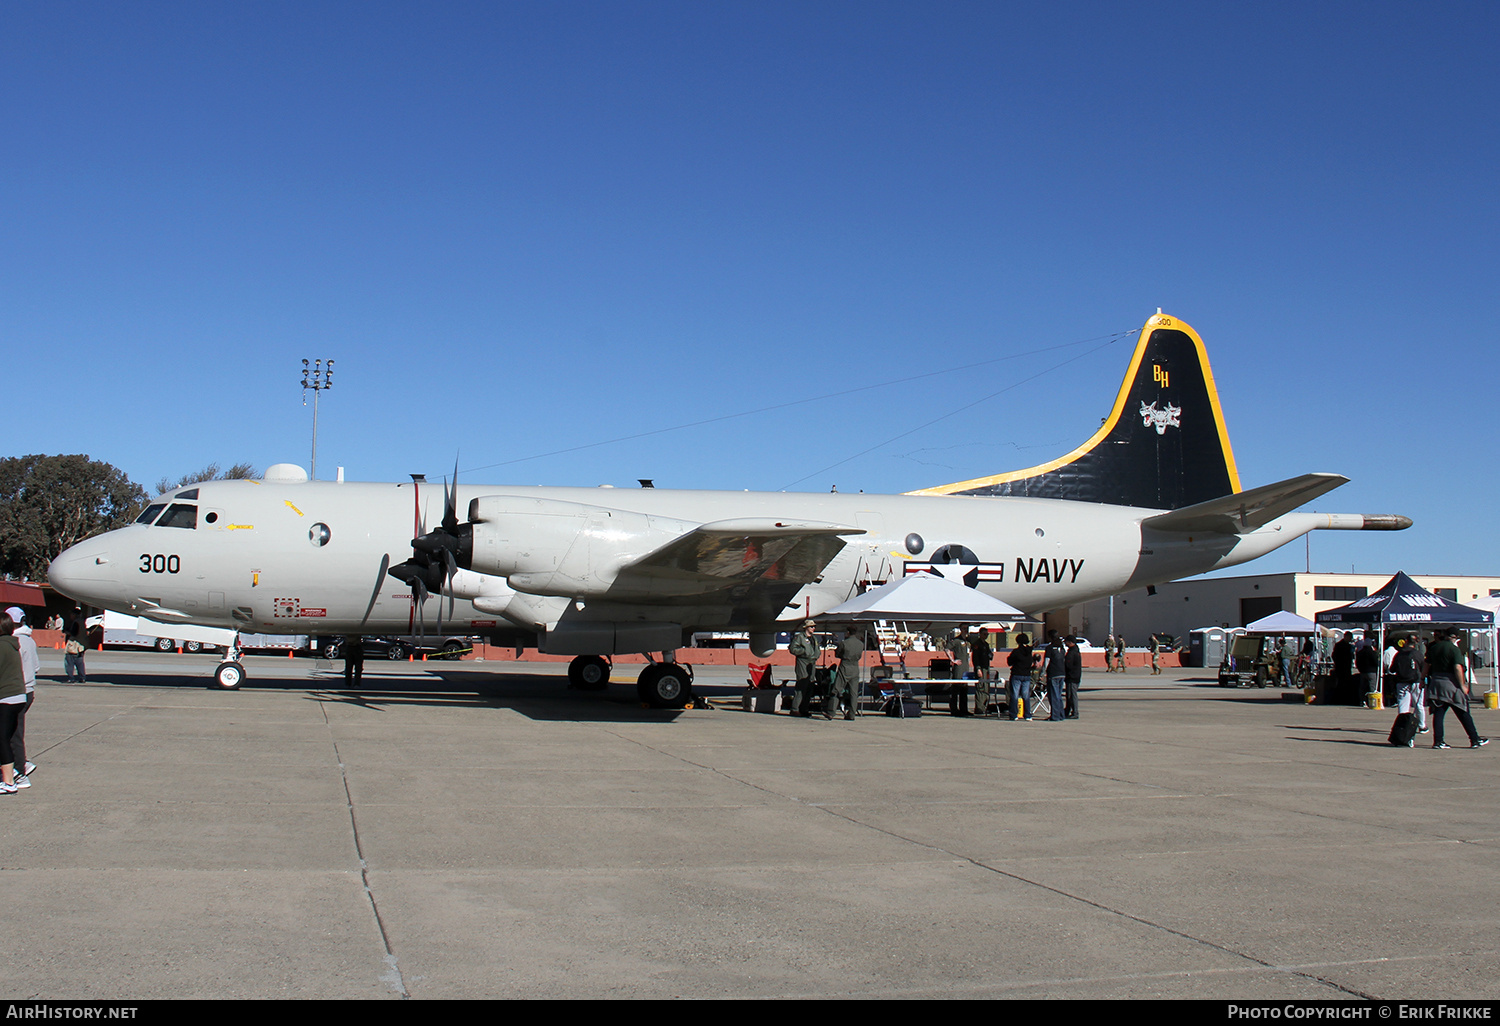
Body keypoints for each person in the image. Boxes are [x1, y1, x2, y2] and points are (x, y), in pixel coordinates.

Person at [1425, 628, 1487, 750]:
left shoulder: (1434, 648)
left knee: (1438, 713)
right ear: (1456, 637)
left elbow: (1426, 664)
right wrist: (1462, 685)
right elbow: (1458, 668)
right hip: (1451, 684)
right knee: (1463, 711)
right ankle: (1474, 739)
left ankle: (1438, 741)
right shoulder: (1454, 650)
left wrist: (1422, 679)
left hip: (1436, 682)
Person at [6, 607, 38, 788]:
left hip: (16, 691)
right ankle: (20, 764)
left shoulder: (14, 642)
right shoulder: (29, 640)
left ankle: (19, 771)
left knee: (13, 734)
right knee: (14, 731)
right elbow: (36, 667)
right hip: (28, 690)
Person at [0, 616, 25, 795]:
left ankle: (8, 782)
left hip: (6, 697)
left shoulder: (1, 645)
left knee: (2, 740)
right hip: (17, 696)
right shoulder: (12, 644)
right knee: (7, 738)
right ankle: (13, 773)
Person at [1389, 637, 1427, 737]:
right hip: (1416, 681)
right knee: (1418, 704)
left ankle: (1403, 726)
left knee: (1403, 705)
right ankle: (1422, 725)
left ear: (1405, 642)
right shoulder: (1418, 654)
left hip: (1401, 681)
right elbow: (1423, 667)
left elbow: (1392, 669)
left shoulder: (1399, 654)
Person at [830, 627, 864, 721]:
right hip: (855, 668)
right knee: (853, 693)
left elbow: (838, 654)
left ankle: (831, 711)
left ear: (848, 633)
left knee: (836, 689)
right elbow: (860, 656)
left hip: (845, 666)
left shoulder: (844, 643)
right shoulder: (860, 644)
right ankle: (852, 714)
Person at [788, 620, 820, 717]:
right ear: (806, 627)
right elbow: (792, 649)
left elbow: (816, 649)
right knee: (802, 685)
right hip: (803, 662)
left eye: (814, 626)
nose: (813, 628)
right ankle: (795, 708)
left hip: (812, 663)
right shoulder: (800, 637)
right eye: (811, 627)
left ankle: (804, 708)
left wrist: (816, 654)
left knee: (810, 686)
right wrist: (803, 651)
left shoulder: (814, 638)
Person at [1006, 633, 1034, 720]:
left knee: (1015, 695)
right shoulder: (1029, 652)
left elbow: (1009, 662)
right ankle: (1027, 715)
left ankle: (1014, 714)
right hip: (1026, 675)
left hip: (1017, 674)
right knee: (1026, 696)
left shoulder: (1016, 652)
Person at [1043, 631, 1066, 721]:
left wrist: (1043, 673)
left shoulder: (1049, 648)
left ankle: (1055, 716)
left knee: (1053, 695)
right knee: (1058, 695)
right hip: (1062, 673)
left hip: (1053, 673)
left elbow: (1046, 661)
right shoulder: (1062, 648)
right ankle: (1061, 714)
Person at [969, 628, 992, 717]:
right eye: (984, 634)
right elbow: (975, 658)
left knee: (986, 688)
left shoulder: (986, 645)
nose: (986, 636)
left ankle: (985, 707)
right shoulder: (977, 645)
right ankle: (979, 708)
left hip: (986, 668)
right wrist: (978, 669)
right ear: (980, 634)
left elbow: (989, 655)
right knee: (980, 688)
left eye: (987, 634)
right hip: (981, 668)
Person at [63, 606, 88, 683]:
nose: (70, 616)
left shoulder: (76, 623)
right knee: (80, 663)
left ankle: (71, 678)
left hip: (73, 645)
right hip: (81, 646)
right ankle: (82, 677)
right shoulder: (82, 622)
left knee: (69, 662)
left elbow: (74, 633)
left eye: (72, 614)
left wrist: (67, 632)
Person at [1064, 636, 1082, 718]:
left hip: (1072, 677)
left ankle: (1075, 712)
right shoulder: (1075, 651)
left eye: (1066, 642)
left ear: (1070, 642)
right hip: (1075, 676)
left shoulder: (1072, 653)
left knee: (1072, 695)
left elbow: (1068, 665)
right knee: (1069, 695)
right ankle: (1068, 710)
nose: (1065, 643)